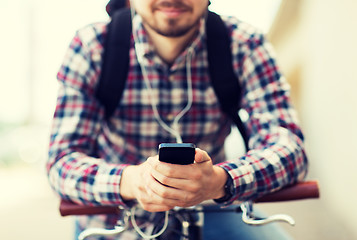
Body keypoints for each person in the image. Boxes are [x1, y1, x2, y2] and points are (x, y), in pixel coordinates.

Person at [47, 0, 308, 239]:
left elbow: (290, 148)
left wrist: (220, 181)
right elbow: (62, 161)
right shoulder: (92, 46)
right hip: (113, 220)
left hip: (211, 211)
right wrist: (132, 182)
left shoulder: (244, 44)